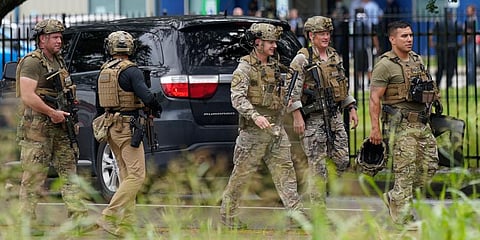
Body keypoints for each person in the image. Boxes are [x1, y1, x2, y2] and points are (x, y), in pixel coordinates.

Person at [220, 23, 307, 229]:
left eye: (275, 42)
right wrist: (255, 116)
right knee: (242, 176)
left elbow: (280, 92)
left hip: (276, 129)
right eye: (270, 42)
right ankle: (228, 217)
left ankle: (296, 216)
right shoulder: (245, 68)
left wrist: (285, 100)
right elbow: (237, 98)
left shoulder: (274, 66)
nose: (274, 46)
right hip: (253, 132)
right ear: (257, 42)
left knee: (286, 172)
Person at [16, 19, 95, 236]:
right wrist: (52, 112)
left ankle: (78, 219)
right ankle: (26, 224)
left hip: (61, 127)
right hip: (38, 129)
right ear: (42, 39)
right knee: (34, 177)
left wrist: (68, 108)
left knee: (70, 173)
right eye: (54, 37)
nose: (60, 40)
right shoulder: (32, 62)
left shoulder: (58, 61)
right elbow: (27, 95)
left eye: (60, 37)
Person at [369, 20, 440, 229]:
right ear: (392, 39)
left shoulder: (417, 60)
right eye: (404, 36)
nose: (409, 39)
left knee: (430, 166)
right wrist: (375, 129)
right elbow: (374, 99)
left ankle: (394, 197)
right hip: (400, 126)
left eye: (410, 35)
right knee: (405, 172)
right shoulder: (384, 65)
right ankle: (402, 220)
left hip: (422, 124)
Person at [287, 16, 358, 213]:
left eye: (327, 33)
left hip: (334, 117)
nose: (326, 37)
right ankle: (318, 213)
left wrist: (351, 106)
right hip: (314, 119)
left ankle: (303, 200)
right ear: (311, 36)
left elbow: (342, 85)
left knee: (342, 160)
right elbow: (290, 91)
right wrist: (297, 116)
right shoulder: (302, 59)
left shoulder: (334, 56)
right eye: (321, 34)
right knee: (317, 167)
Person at [95, 31, 162, 237]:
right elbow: (145, 95)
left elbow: (100, 104)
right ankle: (109, 216)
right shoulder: (131, 70)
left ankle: (127, 225)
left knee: (125, 175)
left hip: (111, 127)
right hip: (127, 127)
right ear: (130, 48)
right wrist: (155, 105)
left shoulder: (105, 70)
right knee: (136, 176)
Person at [429, 9, 462, 88]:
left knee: (440, 67)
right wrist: (461, 44)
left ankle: (437, 84)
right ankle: (449, 84)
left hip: (441, 48)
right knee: (451, 67)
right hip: (452, 48)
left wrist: (431, 42)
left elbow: (431, 32)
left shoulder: (439, 24)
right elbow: (464, 33)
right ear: (450, 15)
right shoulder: (455, 24)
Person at [353, 7, 380, 88]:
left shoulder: (354, 22)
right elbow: (373, 34)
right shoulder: (367, 21)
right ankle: (369, 82)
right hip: (367, 46)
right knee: (369, 65)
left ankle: (358, 83)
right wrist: (377, 46)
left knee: (358, 65)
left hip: (357, 47)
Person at [463, 5, 477, 85]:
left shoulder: (471, 20)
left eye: (469, 10)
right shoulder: (473, 19)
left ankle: (470, 82)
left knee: (470, 63)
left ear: (473, 11)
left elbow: (468, 33)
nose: (467, 12)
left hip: (470, 43)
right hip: (471, 43)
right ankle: (471, 81)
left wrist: (463, 42)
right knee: (471, 62)